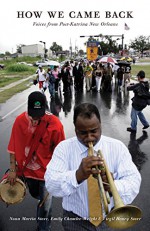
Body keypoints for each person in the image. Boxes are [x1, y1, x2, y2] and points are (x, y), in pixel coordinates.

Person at [45, 103, 141, 231]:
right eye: (83, 133)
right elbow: (50, 184)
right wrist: (77, 175)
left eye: (94, 131)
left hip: (108, 218)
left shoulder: (117, 147)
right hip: (75, 220)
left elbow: (134, 181)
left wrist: (112, 186)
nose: (89, 137)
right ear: (75, 130)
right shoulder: (63, 149)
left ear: (100, 126)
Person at [7, 91, 65, 231]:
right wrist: (13, 169)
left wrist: (58, 174)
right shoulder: (20, 121)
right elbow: (13, 146)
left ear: (45, 109)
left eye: (38, 116)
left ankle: (44, 228)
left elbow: (61, 152)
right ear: (28, 109)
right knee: (37, 197)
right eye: (32, 115)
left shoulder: (55, 124)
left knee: (45, 206)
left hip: (47, 174)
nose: (34, 120)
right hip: (26, 171)